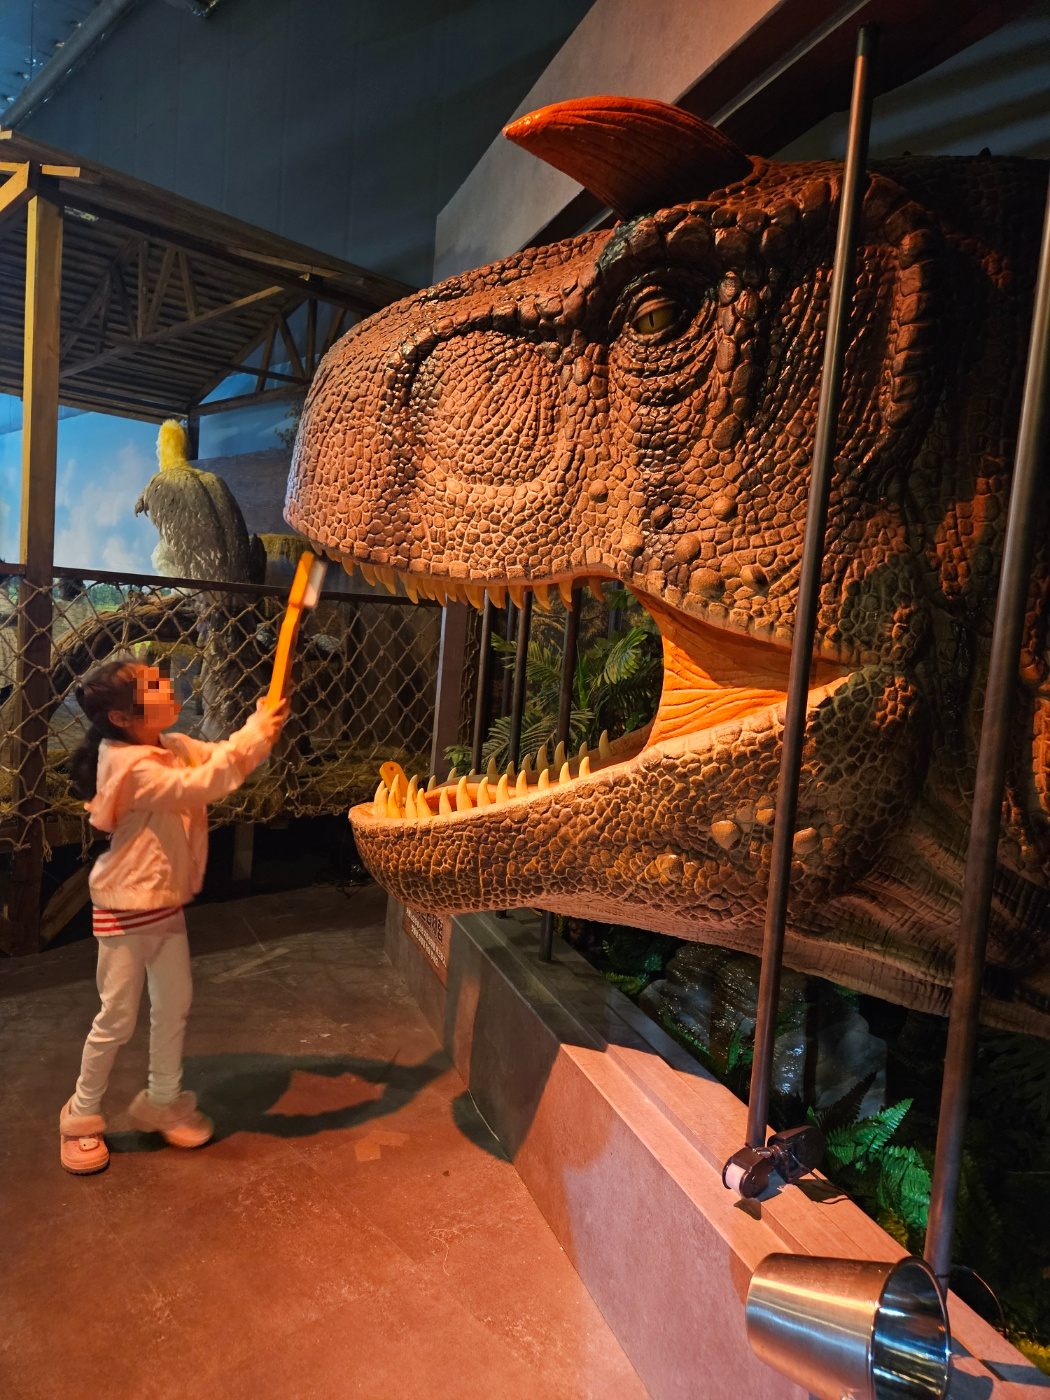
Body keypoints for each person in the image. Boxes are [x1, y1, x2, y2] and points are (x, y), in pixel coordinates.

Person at [59, 658, 287, 1174]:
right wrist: (257, 734)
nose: (169, 685)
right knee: (116, 1020)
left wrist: (259, 725)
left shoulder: (173, 746)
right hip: (124, 908)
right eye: (153, 685)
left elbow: (224, 758)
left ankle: (164, 1100)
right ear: (121, 718)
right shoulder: (130, 766)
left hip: (164, 905)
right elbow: (209, 782)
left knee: (174, 1006)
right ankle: (80, 1114)